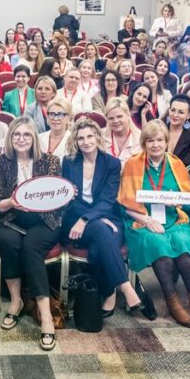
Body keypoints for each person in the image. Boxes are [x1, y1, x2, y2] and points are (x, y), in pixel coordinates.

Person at [0, 117, 63, 351]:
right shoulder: (0, 162)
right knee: (9, 243)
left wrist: (41, 203)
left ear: (34, 139)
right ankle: (16, 302)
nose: (21, 139)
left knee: (31, 248)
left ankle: (46, 314)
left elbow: (57, 200)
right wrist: (10, 202)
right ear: (10, 138)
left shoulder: (49, 161)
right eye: (16, 134)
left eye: (26, 135)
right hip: (9, 220)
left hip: (43, 220)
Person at [118, 120, 190, 327]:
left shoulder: (176, 164)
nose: (155, 145)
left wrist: (180, 201)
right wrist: (146, 220)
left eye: (159, 140)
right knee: (160, 250)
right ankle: (172, 300)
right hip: (142, 221)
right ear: (144, 143)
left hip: (174, 219)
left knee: (184, 250)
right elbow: (124, 204)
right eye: (150, 141)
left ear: (166, 142)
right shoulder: (132, 164)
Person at [61, 118, 142, 316]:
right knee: (100, 229)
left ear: (98, 137)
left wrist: (91, 218)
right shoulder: (69, 162)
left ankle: (109, 293)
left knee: (99, 247)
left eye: (90, 136)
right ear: (75, 141)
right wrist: (90, 218)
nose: (86, 141)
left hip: (108, 218)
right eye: (81, 138)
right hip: (76, 220)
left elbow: (108, 199)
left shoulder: (112, 163)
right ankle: (126, 287)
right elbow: (70, 199)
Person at [165, 94, 190, 165]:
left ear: (188, 115)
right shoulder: (157, 132)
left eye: (181, 112)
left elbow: (188, 166)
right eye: (173, 110)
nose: (175, 115)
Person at [102, 97, 141, 165]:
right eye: (111, 118)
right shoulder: (99, 136)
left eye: (119, 116)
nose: (115, 121)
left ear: (128, 115)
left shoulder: (141, 138)